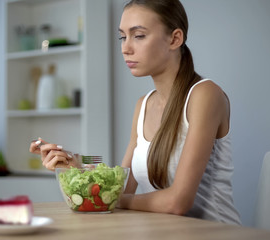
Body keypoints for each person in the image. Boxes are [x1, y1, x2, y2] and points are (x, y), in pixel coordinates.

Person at [29, 0, 241, 225]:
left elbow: (177, 202)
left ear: (175, 38)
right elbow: (120, 176)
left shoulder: (204, 95)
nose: (125, 47)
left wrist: (114, 199)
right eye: (123, 36)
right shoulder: (143, 105)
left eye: (138, 35)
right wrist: (77, 160)